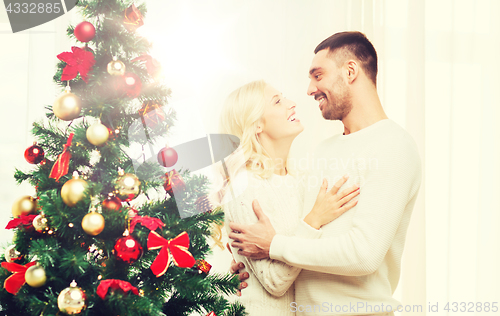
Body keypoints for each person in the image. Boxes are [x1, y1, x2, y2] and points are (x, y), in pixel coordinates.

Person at [228, 31, 422, 316]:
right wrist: (239, 269)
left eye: (317, 75)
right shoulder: (320, 152)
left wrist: (274, 246)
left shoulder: (393, 146)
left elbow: (363, 254)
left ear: (351, 71)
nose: (309, 90)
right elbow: (296, 231)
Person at [212, 80, 360, 316]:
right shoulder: (243, 187)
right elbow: (276, 282)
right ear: (257, 124)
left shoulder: (300, 180)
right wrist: (314, 219)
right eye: (278, 101)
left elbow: (314, 254)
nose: (291, 104)